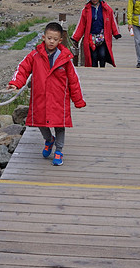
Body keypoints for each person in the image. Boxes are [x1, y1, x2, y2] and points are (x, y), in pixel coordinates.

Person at [8, 22, 86, 166]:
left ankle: (59, 150)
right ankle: (49, 139)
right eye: (49, 38)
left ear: (60, 40)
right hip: (41, 97)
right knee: (40, 121)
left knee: (60, 125)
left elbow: (74, 80)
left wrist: (78, 99)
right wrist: (16, 83)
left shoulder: (65, 59)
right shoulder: (35, 55)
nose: (52, 41)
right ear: (44, 37)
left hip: (59, 99)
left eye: (55, 39)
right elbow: (23, 68)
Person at [72, 0, 120, 68]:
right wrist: (76, 37)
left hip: (103, 36)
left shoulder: (107, 9)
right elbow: (81, 24)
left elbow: (112, 21)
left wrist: (116, 33)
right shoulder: (86, 10)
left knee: (102, 55)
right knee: (93, 57)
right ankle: (94, 71)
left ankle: (102, 70)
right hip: (91, 37)